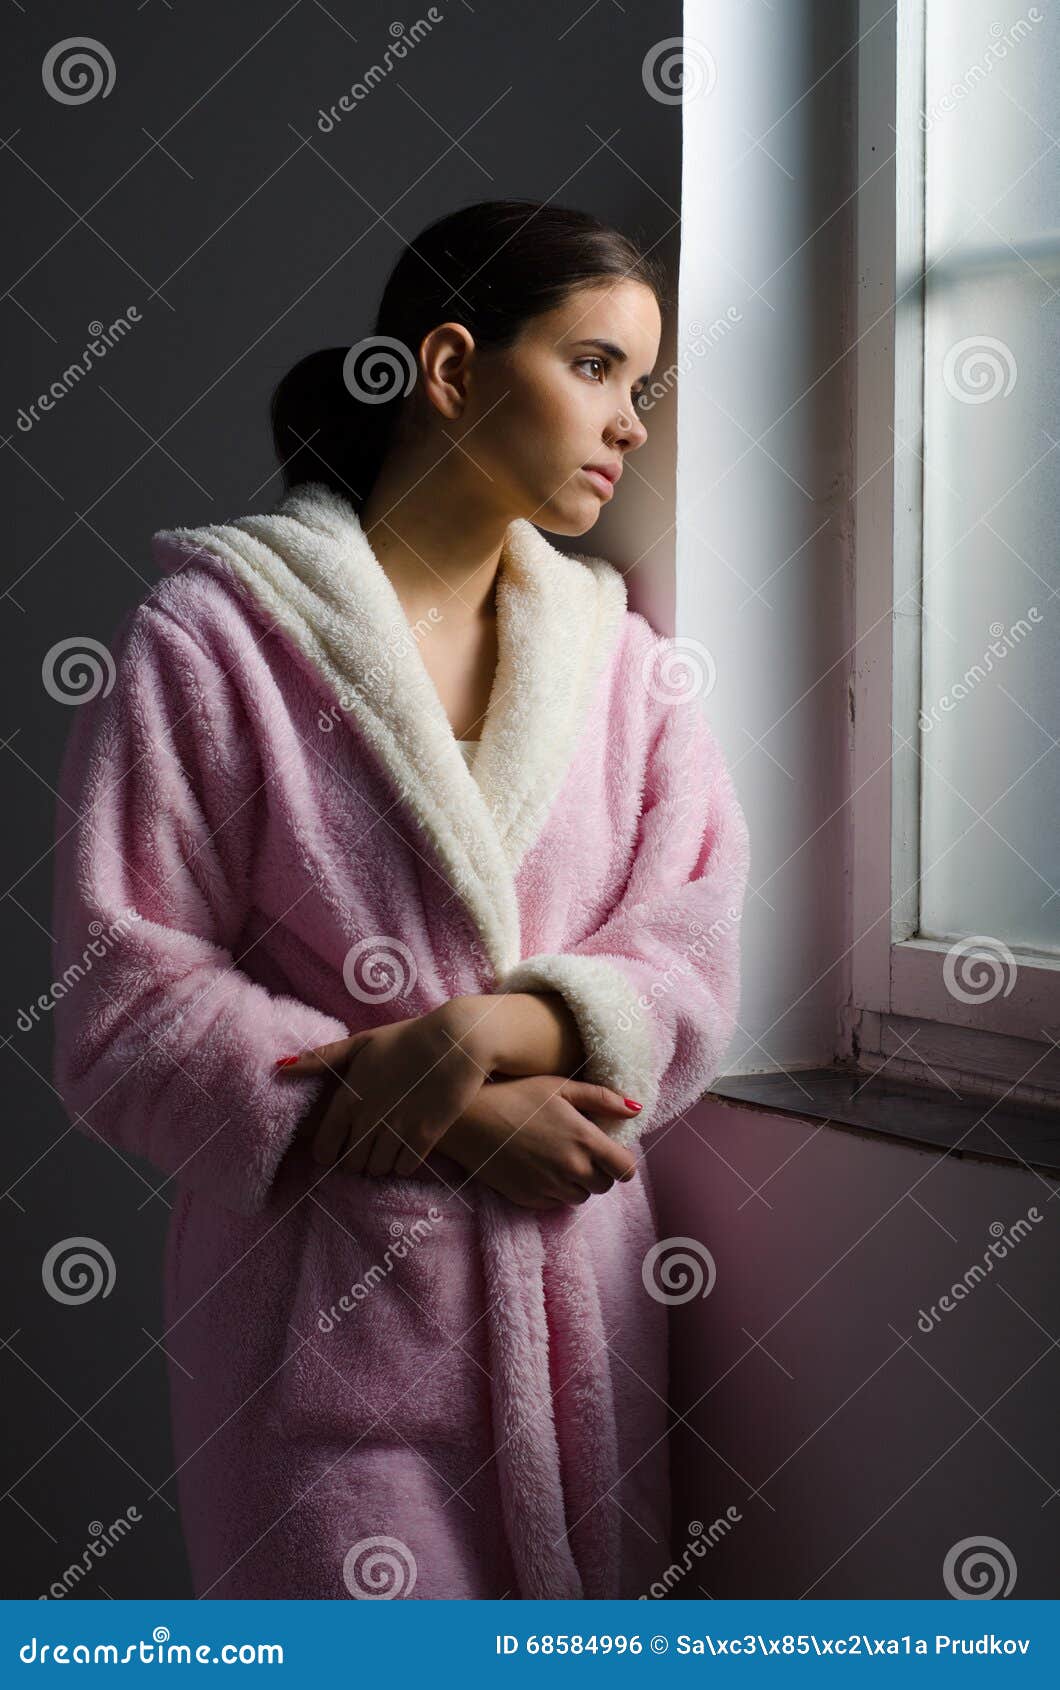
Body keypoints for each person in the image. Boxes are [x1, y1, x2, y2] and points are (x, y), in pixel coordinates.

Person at [50, 198, 751, 1600]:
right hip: (329, 1328)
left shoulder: (624, 666)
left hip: (579, 1333)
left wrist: (487, 1036)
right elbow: (122, 1002)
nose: (632, 426)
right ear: (448, 369)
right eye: (598, 368)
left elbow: (691, 944)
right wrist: (449, 1119)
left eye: (649, 389)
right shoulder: (212, 644)